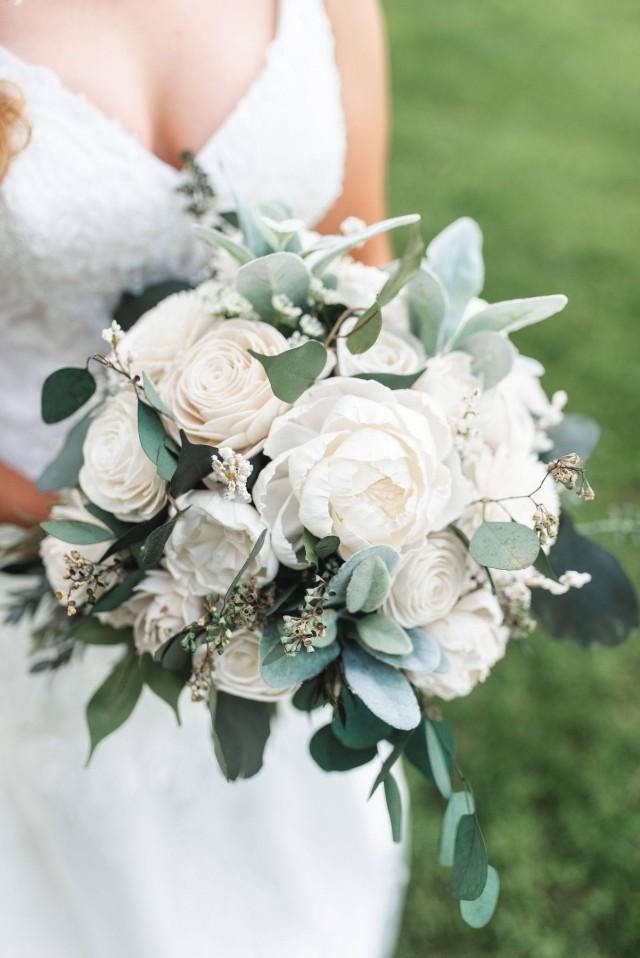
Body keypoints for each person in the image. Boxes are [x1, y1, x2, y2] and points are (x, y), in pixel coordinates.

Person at [0, 2, 407, 956]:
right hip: (29, 576)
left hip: (277, 587)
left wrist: (382, 473)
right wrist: (128, 542)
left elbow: (362, 253)